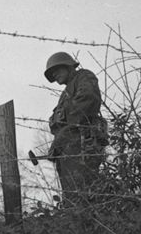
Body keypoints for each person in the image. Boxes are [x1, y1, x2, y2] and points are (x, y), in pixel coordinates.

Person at [44, 52, 107, 206]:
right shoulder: (65, 94)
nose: (55, 75)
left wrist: (63, 132)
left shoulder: (84, 76)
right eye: (52, 73)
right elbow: (57, 124)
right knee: (72, 196)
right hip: (69, 151)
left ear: (68, 66)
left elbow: (86, 101)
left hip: (83, 145)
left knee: (84, 194)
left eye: (57, 70)